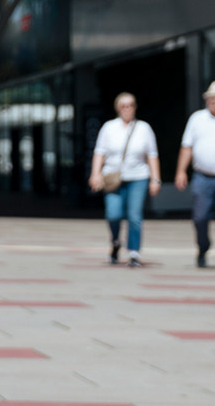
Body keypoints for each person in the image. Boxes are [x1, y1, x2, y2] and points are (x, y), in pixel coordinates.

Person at [89, 91, 161, 267]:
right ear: (117, 108)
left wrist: (155, 179)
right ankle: (115, 241)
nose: (127, 109)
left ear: (135, 107)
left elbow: (152, 155)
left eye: (130, 105)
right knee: (113, 214)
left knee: (134, 215)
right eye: (123, 106)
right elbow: (99, 153)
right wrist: (95, 174)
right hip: (113, 178)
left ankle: (134, 252)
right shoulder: (109, 128)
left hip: (138, 177)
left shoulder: (144, 128)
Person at [174, 80, 215, 268]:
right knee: (200, 217)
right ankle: (203, 246)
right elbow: (187, 147)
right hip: (202, 176)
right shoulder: (197, 119)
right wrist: (181, 171)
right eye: (210, 98)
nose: (213, 101)